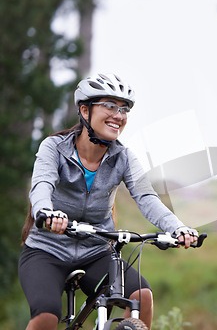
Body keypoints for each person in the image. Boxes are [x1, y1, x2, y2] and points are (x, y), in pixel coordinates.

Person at [18, 73, 199, 330]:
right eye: (110, 106)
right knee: (46, 317)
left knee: (142, 297)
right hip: (47, 250)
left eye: (124, 109)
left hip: (95, 252)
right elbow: (42, 185)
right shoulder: (54, 148)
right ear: (85, 110)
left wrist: (177, 227)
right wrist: (46, 213)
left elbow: (146, 197)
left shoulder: (122, 157)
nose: (119, 115)